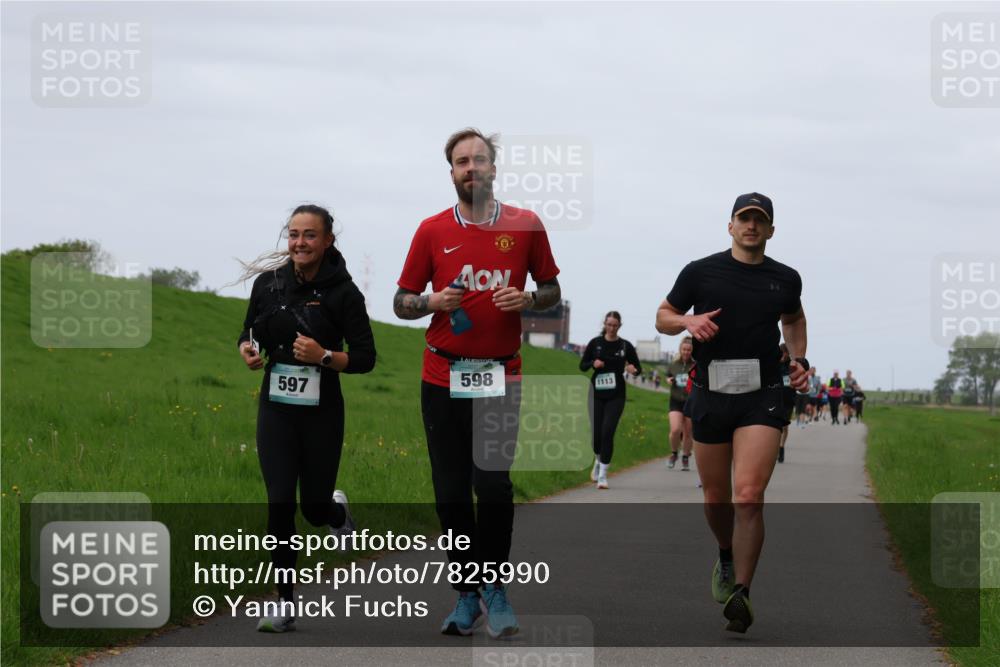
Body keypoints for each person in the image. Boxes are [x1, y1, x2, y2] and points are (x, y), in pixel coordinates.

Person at [393, 128, 561, 638]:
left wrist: (528, 300)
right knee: (449, 493)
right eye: (462, 161)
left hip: (499, 375)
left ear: (493, 167)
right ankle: (467, 594)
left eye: (479, 159)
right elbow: (401, 302)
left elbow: (551, 290)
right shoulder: (430, 230)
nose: (471, 168)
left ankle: (495, 588)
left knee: (491, 485)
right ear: (451, 172)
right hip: (441, 374)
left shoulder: (525, 225)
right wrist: (430, 302)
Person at [655, 192, 808, 634]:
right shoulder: (700, 272)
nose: (751, 226)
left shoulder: (786, 278)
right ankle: (725, 552)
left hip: (763, 394)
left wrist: (799, 359)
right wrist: (687, 322)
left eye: (760, 220)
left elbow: (793, 320)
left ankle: (741, 592)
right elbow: (663, 316)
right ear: (731, 226)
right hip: (711, 394)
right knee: (715, 497)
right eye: (744, 218)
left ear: (771, 230)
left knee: (749, 495)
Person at [237, 204, 376, 632]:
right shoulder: (268, 284)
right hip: (276, 408)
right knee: (280, 502)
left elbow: (366, 357)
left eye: (309, 235)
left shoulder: (344, 294)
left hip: (322, 412)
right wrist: (248, 349)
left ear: (328, 241)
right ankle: (284, 602)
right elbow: (248, 331)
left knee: (313, 507)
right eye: (294, 234)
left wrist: (325, 356)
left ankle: (335, 514)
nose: (299, 243)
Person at [579, 311, 642, 488]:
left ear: (619, 326)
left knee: (608, 432)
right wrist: (593, 364)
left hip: (616, 395)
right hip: (596, 394)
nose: (612, 328)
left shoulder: (625, 346)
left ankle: (603, 476)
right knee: (596, 436)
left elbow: (638, 368)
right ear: (604, 324)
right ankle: (598, 460)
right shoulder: (595, 343)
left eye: (615, 325)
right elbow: (582, 365)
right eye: (609, 325)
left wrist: (633, 370)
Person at [665, 337, 696, 470]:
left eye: (689, 350)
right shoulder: (674, 364)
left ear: (692, 351)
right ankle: (674, 453)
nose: (686, 352)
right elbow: (667, 376)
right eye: (684, 349)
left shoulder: (695, 365)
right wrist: (669, 380)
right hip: (676, 400)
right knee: (675, 430)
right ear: (680, 349)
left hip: (691, 401)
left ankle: (685, 457)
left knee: (688, 433)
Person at [777, 343, 797, 463]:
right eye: (781, 352)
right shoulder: (774, 363)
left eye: (785, 353)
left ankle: (781, 447)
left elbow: (796, 381)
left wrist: (793, 383)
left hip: (788, 398)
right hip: (776, 398)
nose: (783, 355)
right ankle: (775, 448)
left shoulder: (792, 365)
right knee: (776, 426)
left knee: (784, 426)